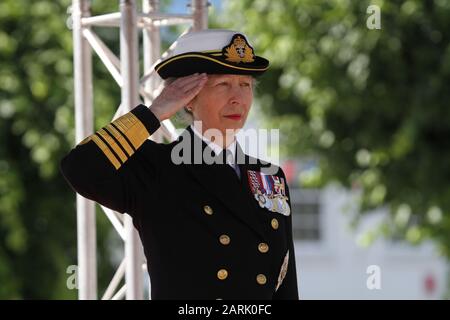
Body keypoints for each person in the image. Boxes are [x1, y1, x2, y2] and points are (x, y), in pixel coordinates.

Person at [60, 29, 299, 300]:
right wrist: (153, 113)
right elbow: (79, 168)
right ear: (188, 100)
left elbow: (285, 282)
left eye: (245, 85)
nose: (238, 98)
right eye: (223, 85)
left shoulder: (269, 176)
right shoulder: (156, 168)